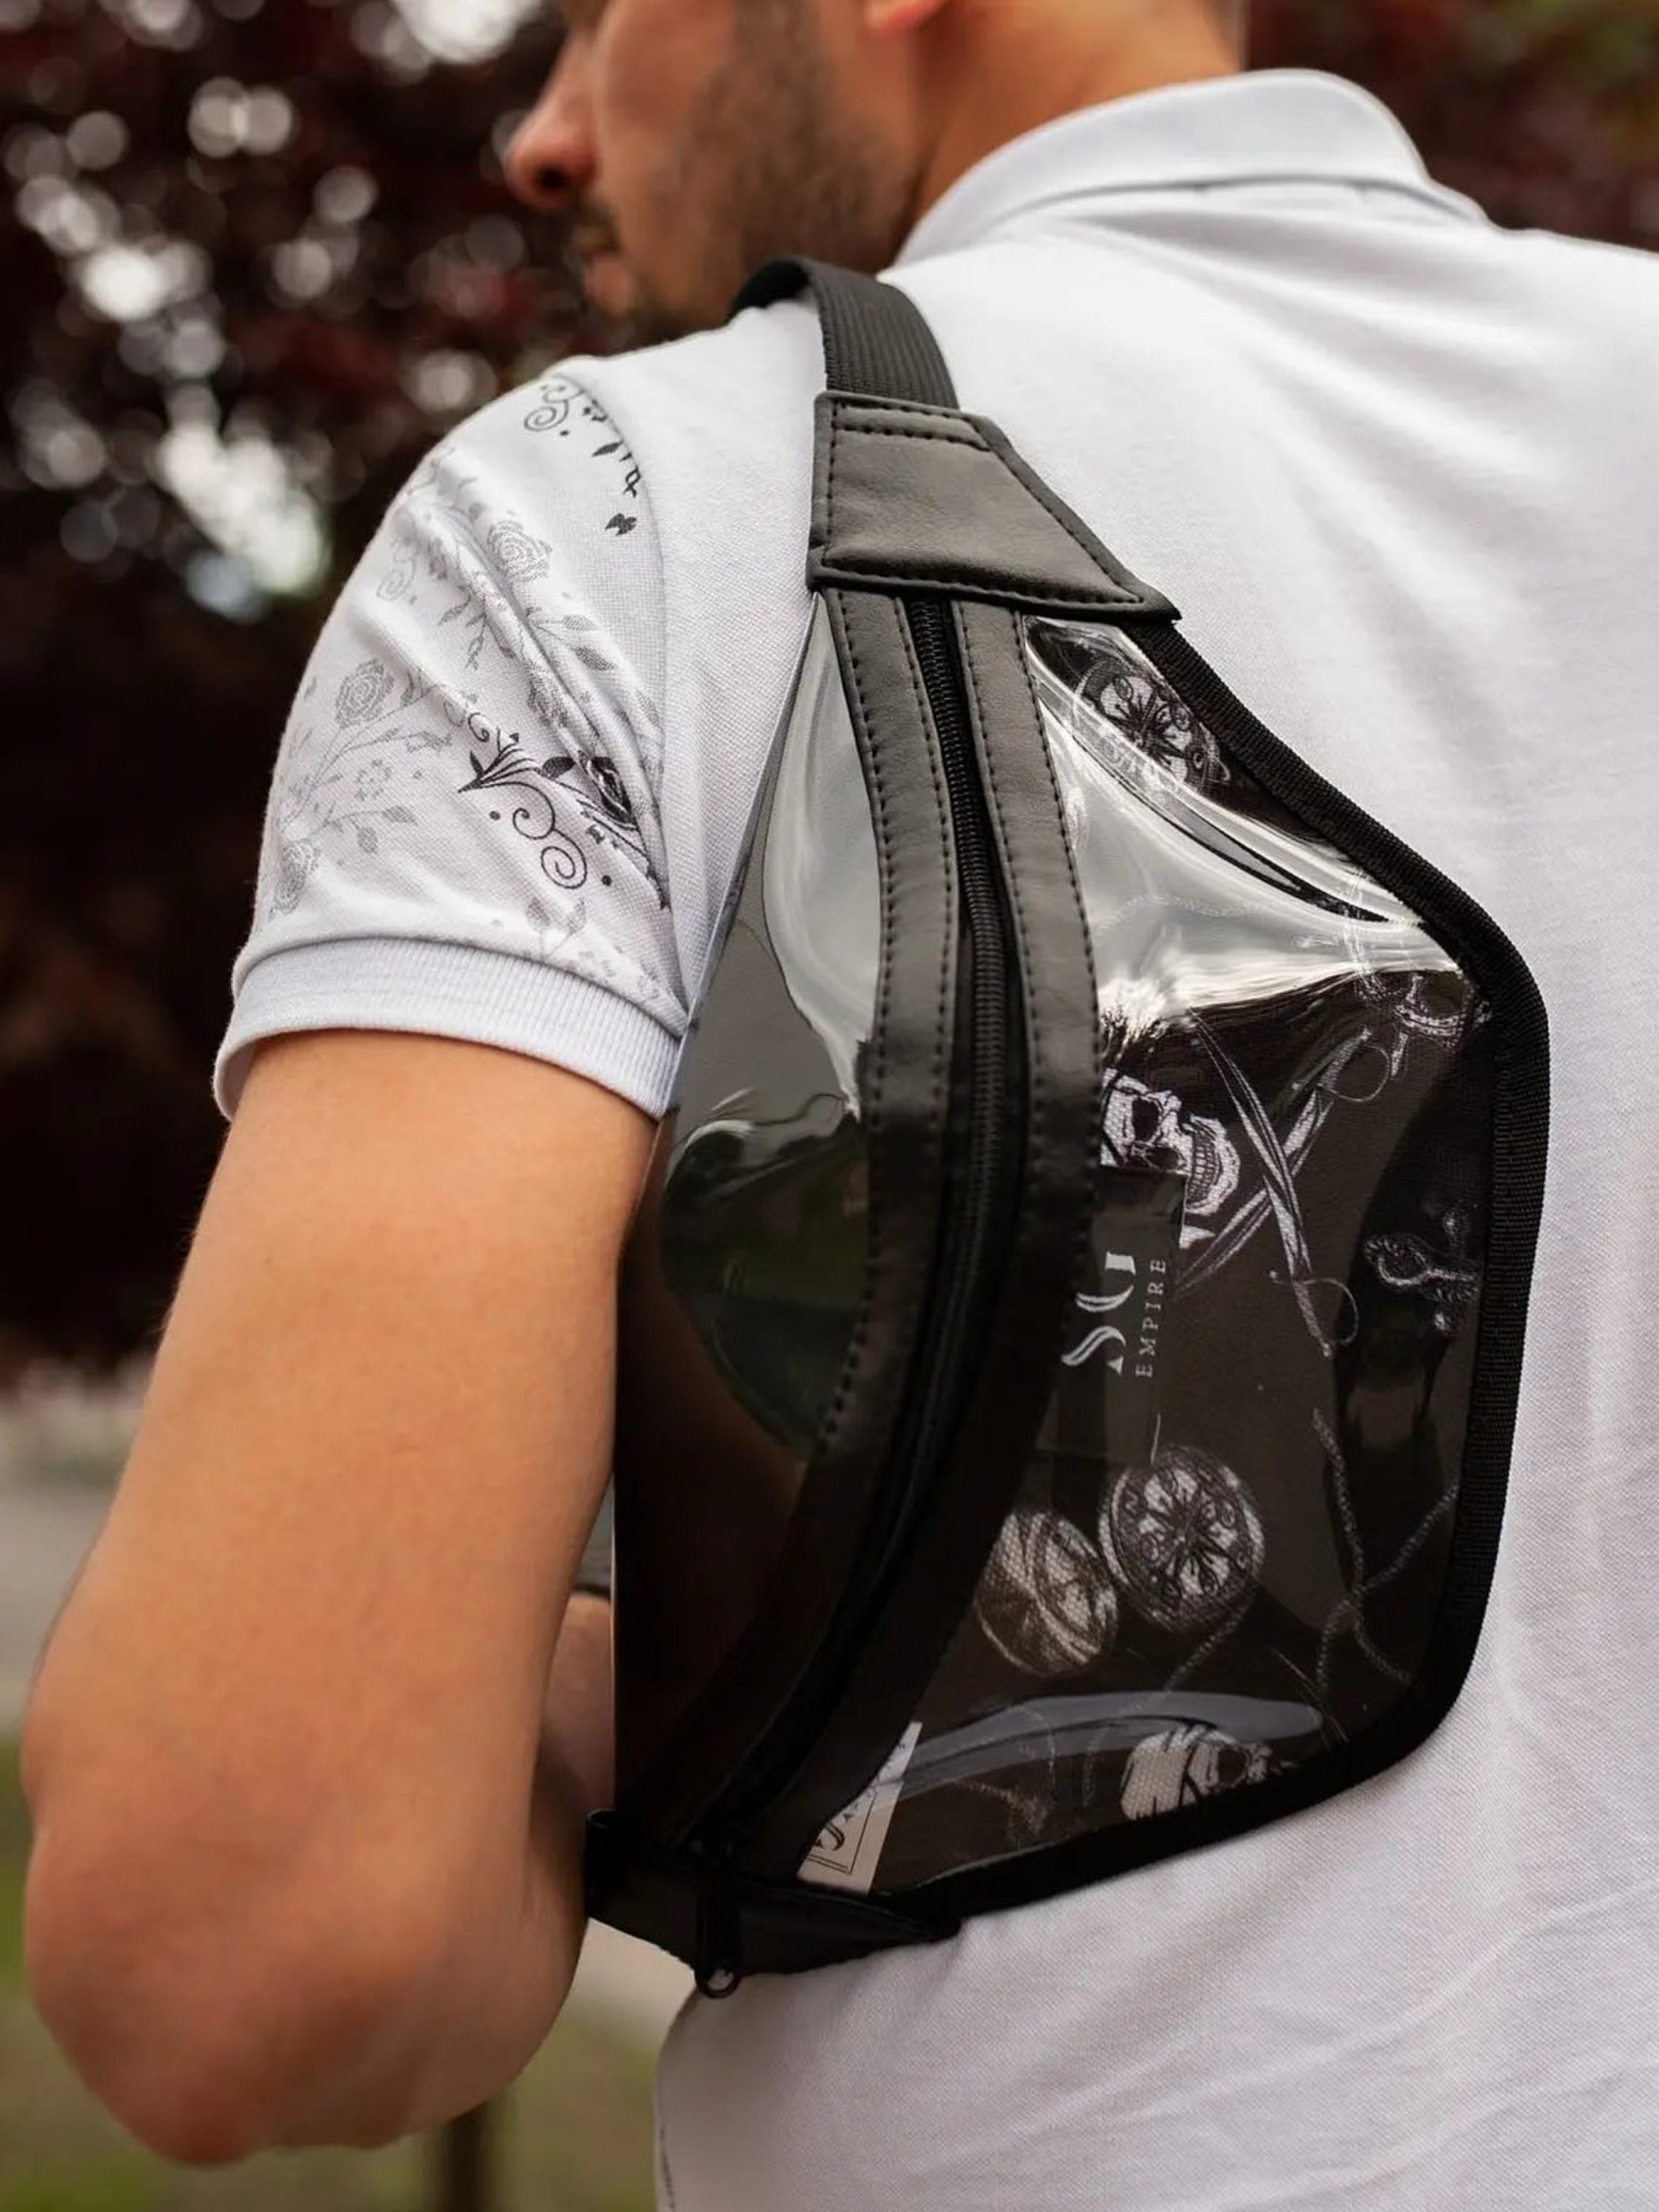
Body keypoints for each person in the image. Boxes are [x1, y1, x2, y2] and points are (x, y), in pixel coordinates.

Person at [19, 0, 1659, 2203]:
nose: (546, 137)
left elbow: (245, 1940)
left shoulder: (619, 516)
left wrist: (619, 1690)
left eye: (601, 14)